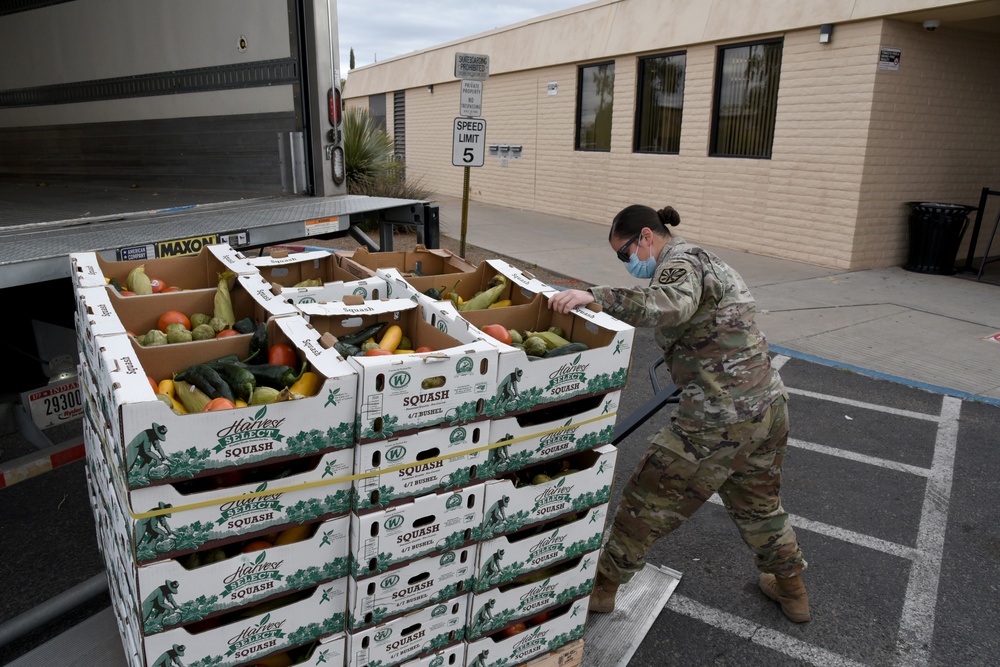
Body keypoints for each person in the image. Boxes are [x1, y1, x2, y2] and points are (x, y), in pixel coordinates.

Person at [547, 204, 809, 623]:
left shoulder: (681, 263)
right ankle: (792, 590)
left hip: (717, 419)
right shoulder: (708, 260)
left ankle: (600, 590)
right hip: (767, 406)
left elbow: (669, 305)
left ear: (647, 236)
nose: (627, 262)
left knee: (645, 502)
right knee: (759, 505)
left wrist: (597, 296)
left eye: (624, 253)